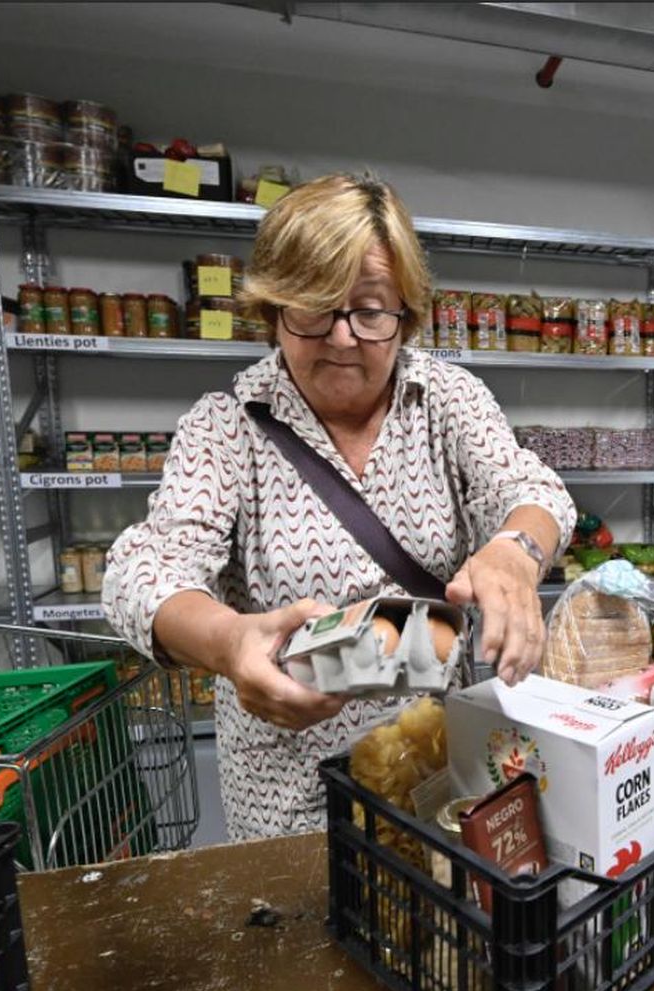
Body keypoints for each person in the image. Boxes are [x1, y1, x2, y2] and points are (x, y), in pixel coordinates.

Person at [102, 173, 574, 840]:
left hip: (440, 770)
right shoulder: (226, 427)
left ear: (405, 313)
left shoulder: (448, 400)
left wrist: (515, 552)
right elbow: (145, 571)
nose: (342, 337)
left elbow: (532, 490)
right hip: (291, 796)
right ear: (273, 310)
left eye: (370, 310)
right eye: (313, 307)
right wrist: (229, 642)